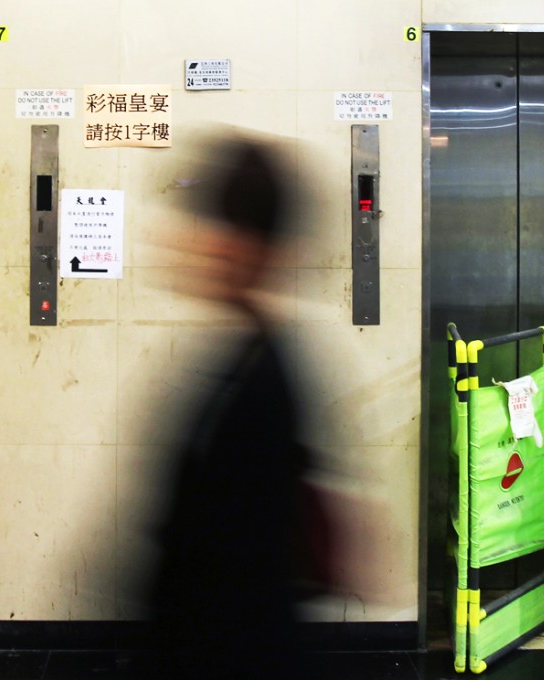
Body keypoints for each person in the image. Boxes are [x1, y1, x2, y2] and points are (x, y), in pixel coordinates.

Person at [148, 133, 311, 680]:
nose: (197, 243)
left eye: (218, 227)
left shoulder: (263, 381)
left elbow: (239, 575)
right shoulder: (243, 354)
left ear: (252, 246)